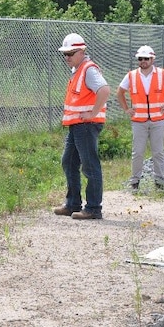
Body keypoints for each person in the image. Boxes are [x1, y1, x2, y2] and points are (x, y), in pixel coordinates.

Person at [53, 33, 111, 220]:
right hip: (77, 125)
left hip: (86, 125)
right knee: (68, 161)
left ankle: (93, 208)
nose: (67, 58)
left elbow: (104, 90)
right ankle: (73, 204)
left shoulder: (88, 70)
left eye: (70, 53)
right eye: (65, 54)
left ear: (81, 51)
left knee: (89, 165)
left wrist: (93, 113)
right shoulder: (78, 70)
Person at [116, 45, 164, 191]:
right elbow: (119, 92)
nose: (143, 61)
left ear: (152, 59)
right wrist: (126, 109)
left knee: (158, 152)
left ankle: (159, 183)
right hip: (139, 121)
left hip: (158, 120)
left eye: (146, 58)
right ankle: (135, 182)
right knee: (137, 152)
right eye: (140, 59)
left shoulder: (162, 74)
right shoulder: (131, 75)